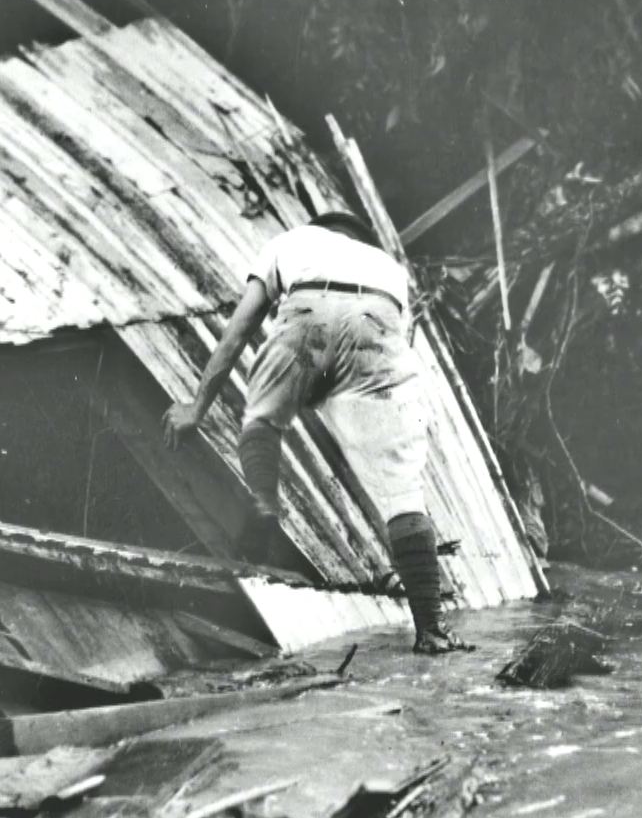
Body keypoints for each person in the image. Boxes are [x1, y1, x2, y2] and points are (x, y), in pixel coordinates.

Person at [161, 210, 474, 654]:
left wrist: (196, 407)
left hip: (306, 308)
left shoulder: (291, 242)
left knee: (265, 416)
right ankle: (431, 632)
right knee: (403, 490)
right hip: (377, 315)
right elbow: (387, 349)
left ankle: (265, 500)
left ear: (321, 229)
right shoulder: (389, 268)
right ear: (359, 239)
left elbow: (237, 332)